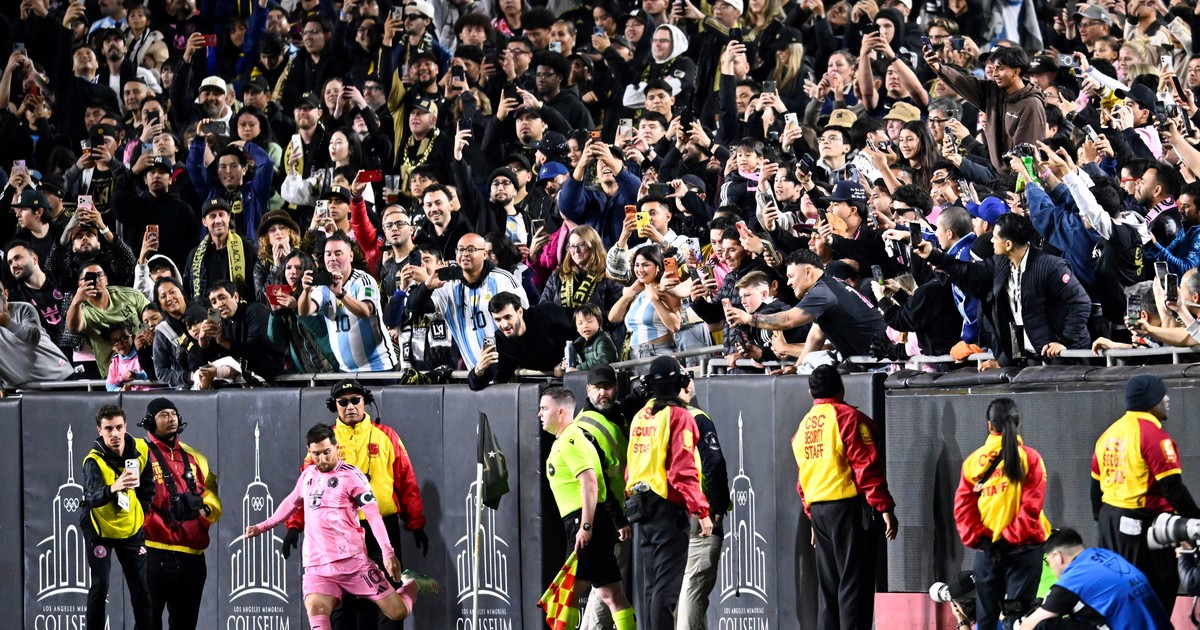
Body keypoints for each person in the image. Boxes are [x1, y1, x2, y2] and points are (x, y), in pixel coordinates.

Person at [246, 423, 433, 630]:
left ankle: (413, 583)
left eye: (327, 452)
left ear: (336, 447)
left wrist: (388, 553)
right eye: (316, 454)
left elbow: (373, 516)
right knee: (316, 608)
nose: (322, 459)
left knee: (397, 612)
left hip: (353, 564)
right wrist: (262, 526)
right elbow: (292, 502)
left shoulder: (352, 476)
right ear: (309, 451)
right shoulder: (308, 475)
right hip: (318, 567)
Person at [283, 381, 428, 630]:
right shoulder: (325, 441)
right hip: (337, 532)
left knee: (388, 597)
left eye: (355, 400)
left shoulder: (387, 436)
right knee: (342, 605)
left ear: (365, 402)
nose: (350, 406)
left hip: (380, 527)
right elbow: (306, 488)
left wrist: (415, 522)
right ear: (334, 406)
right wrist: (295, 525)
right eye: (343, 402)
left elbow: (406, 480)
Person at [793, 365, 898, 630]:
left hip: (819, 513)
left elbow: (803, 477)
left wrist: (811, 514)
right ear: (841, 386)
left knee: (829, 591)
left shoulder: (803, 427)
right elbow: (866, 466)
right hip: (849, 510)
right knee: (855, 586)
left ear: (810, 392)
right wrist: (884, 507)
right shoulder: (849, 418)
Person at [1092, 374, 1200, 614]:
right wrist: (1196, 520)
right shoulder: (1154, 436)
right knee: (1154, 597)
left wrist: (1106, 523)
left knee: (1121, 598)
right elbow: (1173, 489)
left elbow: (1095, 485)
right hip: (1140, 527)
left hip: (1110, 524)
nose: (1167, 400)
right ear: (1152, 401)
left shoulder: (1108, 434)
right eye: (1163, 395)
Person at [538, 387, 637, 630]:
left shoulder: (570, 440)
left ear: (561, 412)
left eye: (544, 408)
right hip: (593, 522)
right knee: (612, 594)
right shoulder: (568, 439)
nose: (539, 414)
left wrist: (585, 525)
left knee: (566, 594)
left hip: (585, 523)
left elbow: (591, 483)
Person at [625, 356, 712, 630]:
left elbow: (631, 465)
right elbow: (682, 469)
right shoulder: (680, 416)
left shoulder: (640, 416)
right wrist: (701, 510)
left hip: (640, 506)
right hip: (666, 508)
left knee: (652, 587)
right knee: (667, 589)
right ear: (680, 383)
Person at [953, 398, 1051, 629]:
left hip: (989, 554)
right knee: (1016, 614)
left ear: (989, 425)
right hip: (1023, 553)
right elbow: (1031, 506)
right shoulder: (1030, 458)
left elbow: (963, 507)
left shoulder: (973, 462)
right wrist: (1008, 540)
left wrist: (983, 541)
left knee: (987, 616)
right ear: (1018, 423)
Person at [139, 397, 221, 630]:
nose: (171, 418)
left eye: (173, 414)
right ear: (150, 421)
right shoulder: (139, 453)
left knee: (186, 624)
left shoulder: (195, 457)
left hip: (191, 555)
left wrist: (207, 509)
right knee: (148, 622)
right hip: (153, 551)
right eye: (163, 415)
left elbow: (211, 490)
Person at [404, 233, 528, 369]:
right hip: (476, 372)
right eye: (461, 250)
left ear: (485, 254)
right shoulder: (447, 286)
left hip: (511, 370)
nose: (465, 254)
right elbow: (413, 307)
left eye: (471, 249)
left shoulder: (503, 280)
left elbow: (525, 320)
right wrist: (427, 286)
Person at [82, 404, 154, 630]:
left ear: (125, 426)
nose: (114, 433)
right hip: (99, 529)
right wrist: (114, 487)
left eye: (119, 427)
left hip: (130, 529)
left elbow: (148, 487)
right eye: (108, 429)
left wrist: (140, 512)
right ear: (99, 430)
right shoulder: (93, 461)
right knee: (100, 584)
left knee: (142, 586)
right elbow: (92, 497)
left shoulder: (141, 450)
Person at [924, 45, 1047, 172]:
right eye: (994, 68)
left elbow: (1026, 156)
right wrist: (939, 68)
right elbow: (963, 82)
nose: (994, 74)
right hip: (995, 173)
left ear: (1016, 71)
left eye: (1000, 69)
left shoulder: (1031, 105)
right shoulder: (992, 91)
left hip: (1017, 177)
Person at [1019, 528, 1170, 629]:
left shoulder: (1072, 580)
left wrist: (1018, 623)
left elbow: (1028, 627)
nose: (1051, 567)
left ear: (1058, 557)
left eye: (1049, 562)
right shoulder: (1105, 555)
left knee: (1044, 626)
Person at [297, 233, 399, 372]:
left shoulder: (363, 280)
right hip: (346, 371)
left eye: (338, 253)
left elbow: (366, 312)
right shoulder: (322, 287)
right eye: (328, 254)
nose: (332, 258)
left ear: (351, 256)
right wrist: (306, 291)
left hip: (378, 368)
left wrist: (340, 294)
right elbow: (304, 311)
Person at [675, 376, 730, 630]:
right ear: (687, 388)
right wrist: (717, 507)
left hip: (664, 513)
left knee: (674, 587)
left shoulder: (651, 417)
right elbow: (714, 464)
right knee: (693, 587)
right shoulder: (695, 417)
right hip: (698, 512)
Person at [468, 292, 575, 389]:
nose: (504, 325)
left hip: (577, 374)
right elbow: (496, 379)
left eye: (508, 317)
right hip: (547, 387)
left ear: (520, 312)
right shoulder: (501, 342)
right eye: (498, 320)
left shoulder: (545, 313)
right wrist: (479, 369)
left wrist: (568, 361)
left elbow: (582, 328)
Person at [0, 286, 75, 390]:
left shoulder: (23, 308)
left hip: (60, 376)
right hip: (28, 389)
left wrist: (8, 323)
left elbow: (34, 337)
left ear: (6, 294)